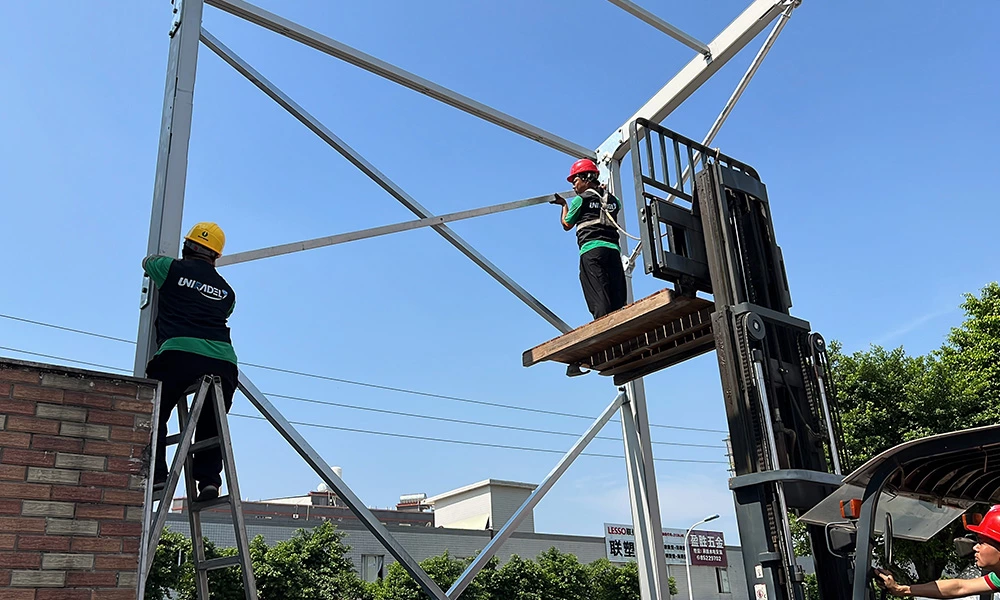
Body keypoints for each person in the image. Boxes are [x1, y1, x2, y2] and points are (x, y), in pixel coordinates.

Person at [143, 222, 237, 502]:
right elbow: (225, 309)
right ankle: (209, 481)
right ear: (216, 256)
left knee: (155, 411)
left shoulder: (170, 269)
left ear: (187, 246)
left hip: (179, 353)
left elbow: (147, 263)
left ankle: (158, 476)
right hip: (223, 360)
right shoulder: (227, 292)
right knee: (211, 421)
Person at [552, 158, 627, 320]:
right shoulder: (613, 200)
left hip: (592, 251)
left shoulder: (581, 200)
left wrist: (564, 205)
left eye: (575, 180)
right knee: (616, 294)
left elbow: (567, 224)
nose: (573, 185)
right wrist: (601, 191)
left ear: (586, 178)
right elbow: (616, 206)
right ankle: (620, 324)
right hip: (613, 251)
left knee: (597, 293)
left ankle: (604, 330)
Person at [877, 505, 1000, 598]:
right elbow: (960, 587)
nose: (975, 547)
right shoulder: (997, 578)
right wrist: (902, 590)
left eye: (982, 542)